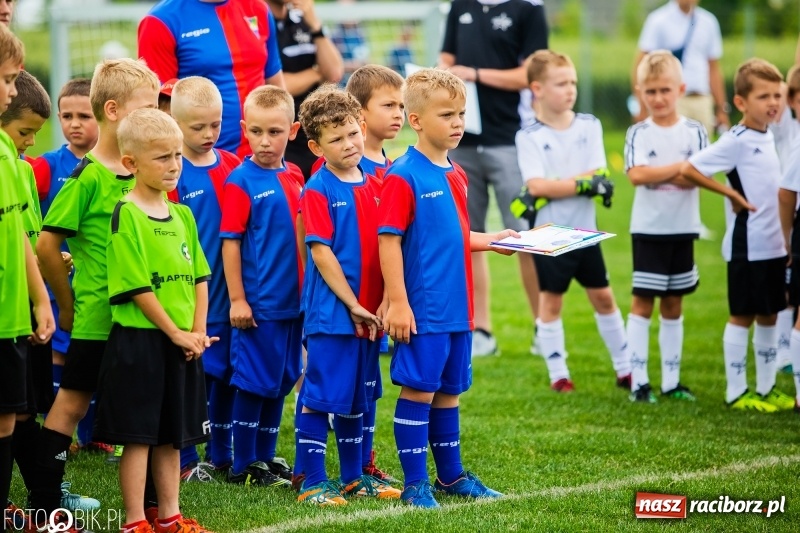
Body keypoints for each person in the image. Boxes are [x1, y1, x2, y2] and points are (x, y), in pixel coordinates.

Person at [29, 58, 160, 529]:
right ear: (114, 110)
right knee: (73, 403)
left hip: (143, 319)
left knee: (143, 410)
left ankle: (150, 504)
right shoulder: (87, 178)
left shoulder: (145, 172)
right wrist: (66, 304)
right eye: (148, 108)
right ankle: (45, 500)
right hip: (96, 320)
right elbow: (47, 244)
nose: (157, 117)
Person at [379, 68, 518, 508]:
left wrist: (493, 241)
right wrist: (398, 302)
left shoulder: (456, 173)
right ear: (416, 120)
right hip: (424, 307)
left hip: (459, 307)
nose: (457, 123)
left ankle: (452, 478)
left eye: (461, 113)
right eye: (446, 114)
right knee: (419, 389)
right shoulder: (403, 174)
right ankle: (415, 484)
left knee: (450, 391)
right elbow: (388, 241)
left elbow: (455, 237)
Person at [94, 107, 214, 533]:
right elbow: (138, 288)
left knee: (172, 436)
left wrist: (196, 331)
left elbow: (200, 276)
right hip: (142, 344)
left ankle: (170, 517)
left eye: (177, 155)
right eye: (162, 157)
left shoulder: (182, 215)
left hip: (182, 344)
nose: (174, 165)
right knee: (139, 437)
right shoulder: (126, 214)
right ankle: (134, 521)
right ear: (132, 164)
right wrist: (176, 332)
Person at [294, 84, 400, 505]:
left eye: (352, 133)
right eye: (335, 140)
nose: (349, 144)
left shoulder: (378, 179)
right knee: (321, 395)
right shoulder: (318, 189)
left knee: (359, 396)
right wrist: (352, 303)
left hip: (370, 315)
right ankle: (312, 481)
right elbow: (321, 254)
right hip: (335, 315)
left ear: (361, 125)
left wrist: (385, 300)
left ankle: (355, 476)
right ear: (316, 146)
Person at [681, 58, 795, 412]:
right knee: (742, 315)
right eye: (763, 96)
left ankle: (765, 388)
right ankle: (736, 391)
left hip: (776, 244)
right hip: (749, 246)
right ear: (742, 102)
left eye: (778, 95)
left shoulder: (773, 134)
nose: (773, 103)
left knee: (771, 314)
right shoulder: (736, 140)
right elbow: (690, 169)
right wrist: (731, 195)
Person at [515, 50, 630, 393]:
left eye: (573, 83)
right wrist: (580, 184)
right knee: (551, 302)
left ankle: (626, 370)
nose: (570, 90)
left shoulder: (589, 125)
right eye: (561, 83)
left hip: (586, 231)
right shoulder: (529, 136)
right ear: (537, 88)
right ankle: (558, 374)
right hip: (549, 235)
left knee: (605, 298)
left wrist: (559, 185)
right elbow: (536, 186)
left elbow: (599, 172)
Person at [439, 0, 548, 356]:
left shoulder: (529, 9)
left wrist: (474, 73)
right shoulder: (460, 6)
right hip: (463, 143)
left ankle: (543, 327)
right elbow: (447, 60)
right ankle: (481, 330)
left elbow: (530, 76)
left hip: (508, 141)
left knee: (526, 238)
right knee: (471, 238)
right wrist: (451, 72)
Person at [219, 85, 304, 489]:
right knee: (254, 382)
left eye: (274, 131)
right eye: (256, 132)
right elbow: (230, 242)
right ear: (244, 130)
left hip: (294, 305)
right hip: (260, 305)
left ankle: (266, 458)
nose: (264, 141)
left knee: (282, 380)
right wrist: (238, 299)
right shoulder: (240, 181)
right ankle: (242, 464)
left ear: (294, 130)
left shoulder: (295, 175)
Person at [30, 77, 109, 457]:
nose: (75, 124)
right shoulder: (46, 166)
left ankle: (96, 435)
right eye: (66, 116)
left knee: (92, 363)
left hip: (95, 283)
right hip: (57, 281)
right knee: (62, 355)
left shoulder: (114, 166)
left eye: (83, 115)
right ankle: (65, 436)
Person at [168, 76, 241, 482]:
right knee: (191, 379)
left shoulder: (232, 166)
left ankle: (221, 452)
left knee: (228, 374)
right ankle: (183, 459)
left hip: (230, 298)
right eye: (198, 127)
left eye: (215, 124)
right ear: (175, 123)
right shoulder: (170, 172)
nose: (209, 134)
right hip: (187, 298)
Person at [624, 51, 708, 403]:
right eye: (650, 91)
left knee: (674, 304)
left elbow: (700, 176)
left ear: (681, 89)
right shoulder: (638, 132)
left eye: (665, 90)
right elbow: (637, 175)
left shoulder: (695, 130)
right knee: (643, 302)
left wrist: (681, 172)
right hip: (649, 230)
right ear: (640, 91)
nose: (657, 98)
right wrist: (681, 168)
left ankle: (672, 382)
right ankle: (639, 382)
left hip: (684, 228)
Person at [0, 22, 55, 530]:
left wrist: (41, 298)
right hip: (6, 313)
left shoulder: (14, 164)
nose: (12, 89)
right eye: (7, 78)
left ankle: (37, 498)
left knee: (18, 410)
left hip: (17, 313)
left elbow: (23, 238)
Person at [344, 64, 404, 483]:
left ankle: (365, 461)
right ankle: (318, 470)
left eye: (402, 105)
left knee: (370, 384)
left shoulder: (396, 168)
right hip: (349, 298)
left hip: (383, 296)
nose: (399, 113)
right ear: (361, 115)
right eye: (389, 105)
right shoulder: (338, 165)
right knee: (342, 386)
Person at [138, 0, 285, 159]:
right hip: (200, 163)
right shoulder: (161, 20)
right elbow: (157, 109)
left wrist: (279, 154)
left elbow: (276, 86)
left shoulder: (258, 7)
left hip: (263, 159)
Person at [266, 0, 344, 180]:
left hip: (316, 133)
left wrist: (315, 25)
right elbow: (277, 88)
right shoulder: (258, 22)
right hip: (284, 137)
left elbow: (334, 71)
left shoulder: (303, 20)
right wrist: (317, 72)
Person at [633, 0, 729, 136]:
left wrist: (721, 108)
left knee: (701, 150)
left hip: (702, 99)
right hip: (673, 100)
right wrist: (641, 107)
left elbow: (713, 68)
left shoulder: (708, 22)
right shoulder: (658, 20)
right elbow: (642, 65)